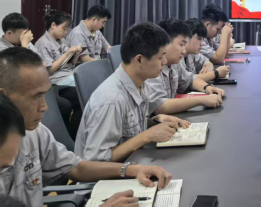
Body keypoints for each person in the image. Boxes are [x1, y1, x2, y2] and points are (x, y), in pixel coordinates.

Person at [0, 47, 173, 207]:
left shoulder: (35, 132)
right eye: (35, 97)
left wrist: (132, 169)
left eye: (45, 95)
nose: (44, 107)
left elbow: (76, 168)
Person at [75, 23, 190, 162]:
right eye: (160, 57)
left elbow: (128, 129)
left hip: (132, 161)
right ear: (139, 59)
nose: (164, 62)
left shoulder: (141, 83)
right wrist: (146, 136)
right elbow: (95, 161)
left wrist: (154, 122)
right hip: (110, 173)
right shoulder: (112, 100)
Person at [146, 19, 225, 116]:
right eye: (181, 45)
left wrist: (207, 87)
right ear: (165, 43)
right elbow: (160, 107)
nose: (184, 51)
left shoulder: (174, 62)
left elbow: (190, 79)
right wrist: (201, 100)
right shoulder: (151, 66)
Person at [35, 11, 89, 139]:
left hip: (67, 75)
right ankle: (69, 136)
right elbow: (48, 71)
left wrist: (76, 54)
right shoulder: (43, 43)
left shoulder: (61, 40)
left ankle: (76, 136)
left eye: (67, 29)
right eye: (63, 28)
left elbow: (71, 64)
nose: (65, 32)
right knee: (84, 96)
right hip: (56, 81)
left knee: (86, 97)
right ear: (53, 25)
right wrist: (66, 54)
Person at [183, 19, 231, 83]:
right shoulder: (177, 57)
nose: (202, 44)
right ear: (186, 37)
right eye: (199, 39)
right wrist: (216, 73)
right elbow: (187, 80)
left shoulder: (191, 53)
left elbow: (205, 60)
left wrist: (209, 66)